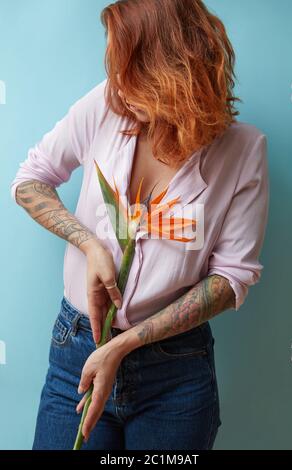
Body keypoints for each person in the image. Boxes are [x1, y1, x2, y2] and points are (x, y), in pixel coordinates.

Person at [10, 0, 269, 450]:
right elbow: (30, 180)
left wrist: (123, 346)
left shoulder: (243, 152)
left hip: (174, 374)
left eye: (132, 69)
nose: (119, 84)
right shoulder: (106, 104)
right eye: (114, 65)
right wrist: (89, 243)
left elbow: (232, 279)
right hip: (77, 354)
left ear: (174, 71)